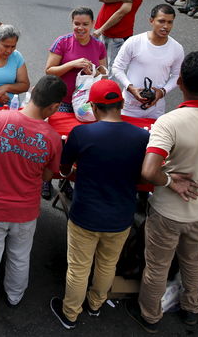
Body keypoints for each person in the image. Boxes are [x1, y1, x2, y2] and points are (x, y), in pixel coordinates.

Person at [126, 51, 198, 333]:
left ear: (180, 82)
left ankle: (150, 315)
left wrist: (169, 181)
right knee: (192, 260)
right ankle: (192, 308)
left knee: (158, 265)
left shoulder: (170, 122)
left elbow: (149, 171)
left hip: (169, 211)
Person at [0, 75, 66, 325]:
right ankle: (14, 297)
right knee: (19, 256)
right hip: (25, 211)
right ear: (54, 107)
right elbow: (48, 175)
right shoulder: (51, 137)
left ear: (33, 91)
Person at [50, 79, 149, 329]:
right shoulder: (140, 137)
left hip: (86, 215)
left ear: (93, 107)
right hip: (121, 217)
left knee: (79, 267)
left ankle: (70, 314)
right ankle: (95, 305)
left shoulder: (82, 133)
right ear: (123, 103)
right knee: (107, 264)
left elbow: (63, 169)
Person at [112, 4, 184, 120]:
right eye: (161, 21)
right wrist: (130, 87)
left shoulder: (177, 48)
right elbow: (117, 67)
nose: (166, 26)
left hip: (156, 109)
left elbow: (177, 76)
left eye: (170, 22)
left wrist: (162, 91)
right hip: (129, 107)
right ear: (151, 21)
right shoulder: (134, 42)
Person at [45, 7, 107, 113]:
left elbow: (104, 76)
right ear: (72, 23)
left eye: (85, 24)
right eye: (77, 24)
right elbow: (49, 71)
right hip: (62, 102)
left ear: (93, 23)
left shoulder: (99, 46)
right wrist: (72, 64)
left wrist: (94, 73)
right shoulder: (62, 42)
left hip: (87, 103)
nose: (80, 28)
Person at [93, 0, 144, 69]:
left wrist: (101, 30)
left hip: (117, 37)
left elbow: (120, 13)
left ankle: (110, 86)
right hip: (102, 32)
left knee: (113, 68)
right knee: (99, 63)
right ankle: (99, 85)